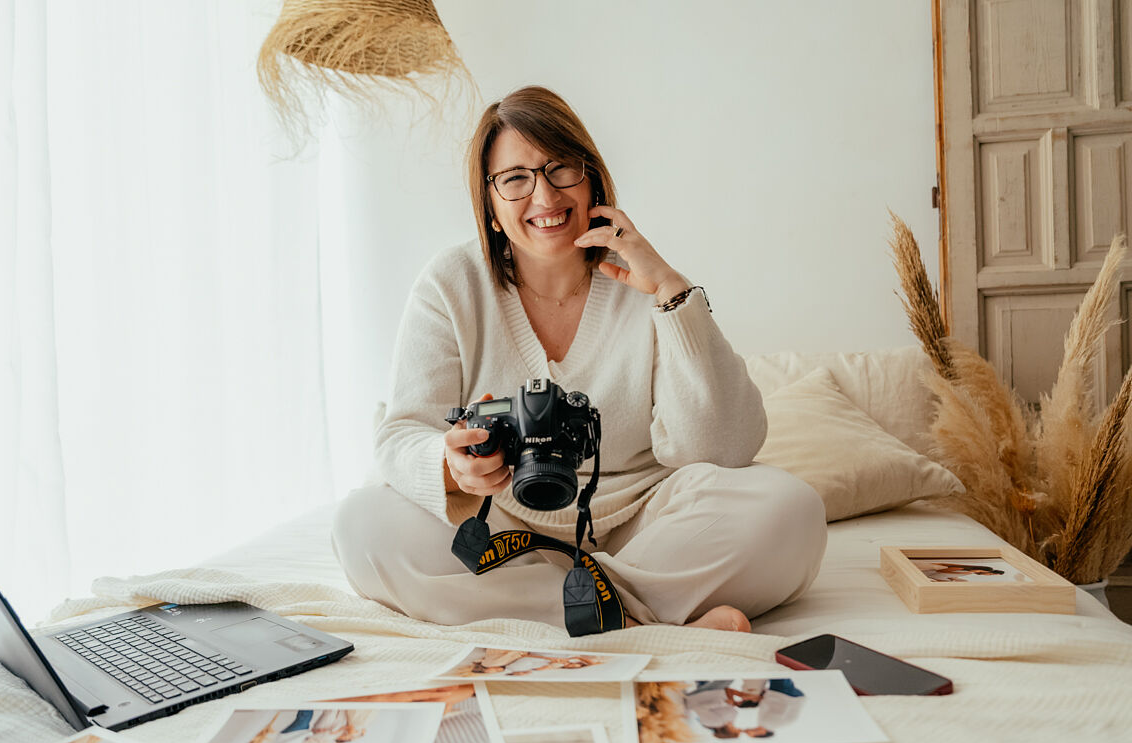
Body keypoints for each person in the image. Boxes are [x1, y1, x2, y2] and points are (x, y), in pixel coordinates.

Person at [331, 85, 827, 631]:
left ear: (591, 179)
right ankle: (641, 622)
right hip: (506, 530)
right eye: (515, 179)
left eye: (560, 168)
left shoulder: (642, 279)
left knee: (791, 509)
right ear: (490, 206)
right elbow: (402, 435)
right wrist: (453, 467)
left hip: (645, 522)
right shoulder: (451, 285)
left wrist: (671, 293)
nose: (544, 197)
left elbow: (723, 447)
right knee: (362, 526)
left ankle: (574, 613)